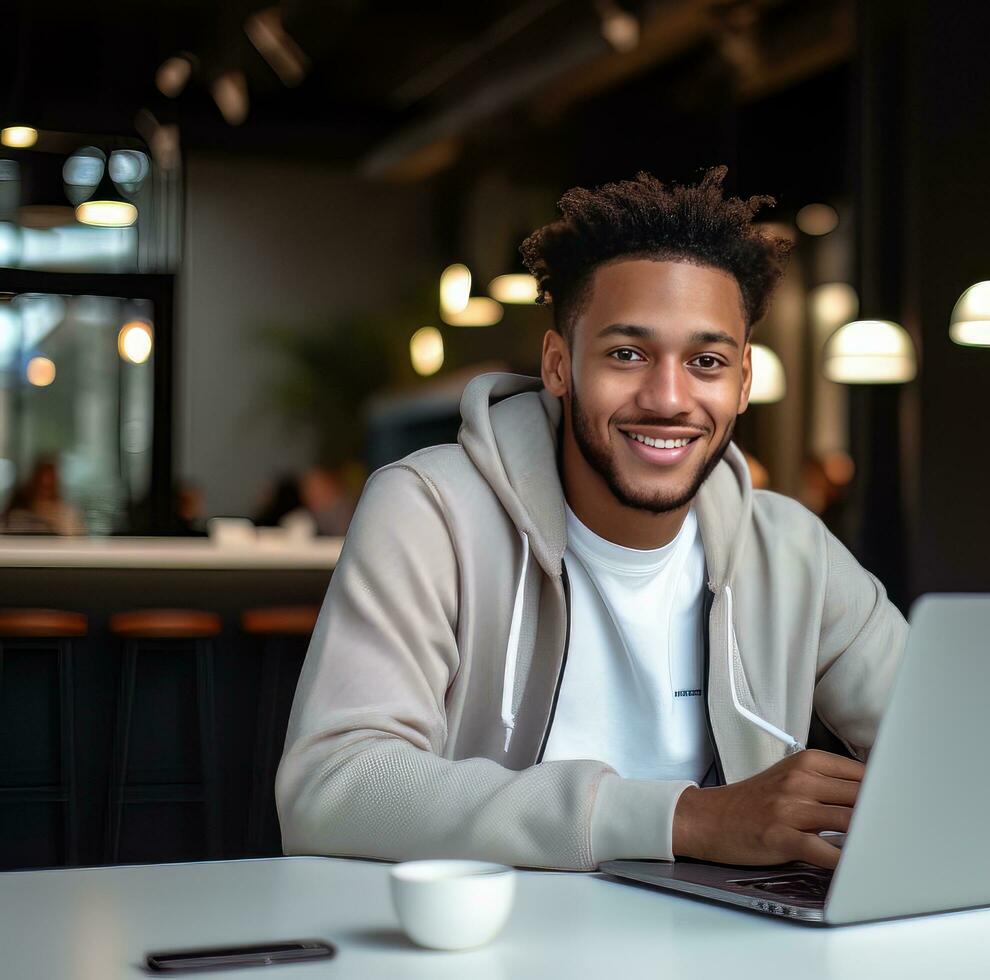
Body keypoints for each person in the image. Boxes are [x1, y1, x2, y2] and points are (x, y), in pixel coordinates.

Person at [276, 168, 907, 872]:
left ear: (743, 383)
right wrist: (683, 819)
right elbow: (332, 785)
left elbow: (944, 745)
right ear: (558, 365)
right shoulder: (432, 510)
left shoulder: (791, 549)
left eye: (705, 361)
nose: (668, 398)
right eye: (627, 354)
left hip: (721, 943)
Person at [1, 457, 84, 535]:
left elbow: (75, 535)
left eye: (50, 486)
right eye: (41, 485)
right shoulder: (19, 513)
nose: (46, 487)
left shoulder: (66, 514)